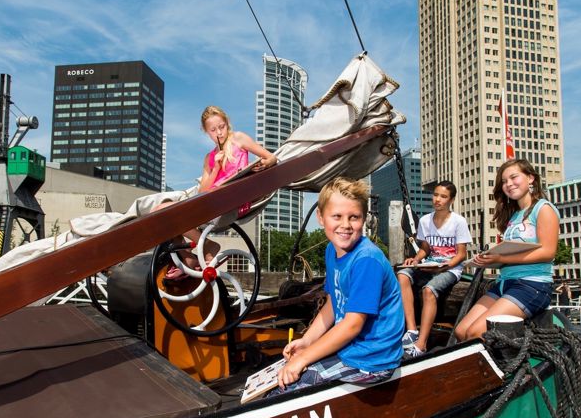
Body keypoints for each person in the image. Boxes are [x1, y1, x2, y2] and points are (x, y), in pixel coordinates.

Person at [273, 177, 404, 393]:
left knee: (286, 390)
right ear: (321, 217)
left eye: (354, 217)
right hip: (351, 348)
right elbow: (333, 303)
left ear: (364, 219)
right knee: (281, 376)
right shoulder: (332, 251)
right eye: (337, 216)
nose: (345, 225)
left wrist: (305, 358)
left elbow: (353, 324)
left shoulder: (366, 260)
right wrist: (307, 341)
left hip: (372, 359)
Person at [161, 105, 276, 278]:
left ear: (227, 123)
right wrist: (215, 167)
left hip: (234, 202)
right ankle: (189, 257)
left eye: (221, 127)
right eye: (213, 130)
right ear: (206, 132)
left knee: (170, 213)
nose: (219, 133)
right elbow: (203, 191)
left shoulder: (238, 139)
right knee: (162, 210)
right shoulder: (209, 157)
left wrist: (263, 165)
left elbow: (271, 157)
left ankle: (207, 247)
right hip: (211, 203)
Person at [453, 159, 560, 342]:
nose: (508, 184)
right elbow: (511, 253)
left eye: (513, 177)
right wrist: (490, 259)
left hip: (532, 285)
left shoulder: (543, 209)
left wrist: (501, 258)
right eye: (504, 181)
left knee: (476, 333)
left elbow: (548, 252)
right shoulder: (514, 215)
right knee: (461, 331)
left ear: (530, 178)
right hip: (505, 282)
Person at [397, 180, 472, 357]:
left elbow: (461, 254)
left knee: (429, 290)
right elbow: (425, 249)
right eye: (436, 195)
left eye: (443, 196)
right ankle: (412, 330)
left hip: (450, 269)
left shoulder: (458, 222)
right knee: (402, 274)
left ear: (451, 200)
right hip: (430, 264)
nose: (438, 199)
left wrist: (444, 267)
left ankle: (421, 344)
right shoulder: (425, 220)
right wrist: (415, 260)